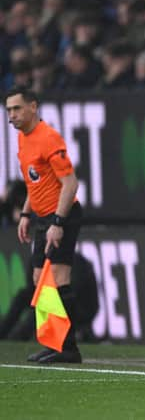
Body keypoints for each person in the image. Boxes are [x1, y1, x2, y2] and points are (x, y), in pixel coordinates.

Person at [5, 85, 83, 363]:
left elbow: (70, 183)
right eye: (9, 110)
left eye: (17, 108)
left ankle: (69, 348)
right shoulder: (24, 139)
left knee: (59, 277)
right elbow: (34, 182)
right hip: (41, 217)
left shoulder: (48, 138)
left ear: (33, 107)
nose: (11, 115)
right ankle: (54, 342)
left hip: (61, 215)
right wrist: (26, 215)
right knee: (40, 280)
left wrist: (58, 222)